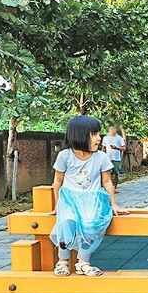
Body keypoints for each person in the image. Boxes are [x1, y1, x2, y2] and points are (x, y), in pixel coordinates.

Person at [51, 115, 128, 277]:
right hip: (70, 199)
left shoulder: (101, 157)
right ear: (79, 136)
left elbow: (107, 182)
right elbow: (57, 181)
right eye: (94, 134)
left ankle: (83, 262)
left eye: (99, 134)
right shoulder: (65, 156)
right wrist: (57, 204)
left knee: (91, 225)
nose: (99, 139)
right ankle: (62, 261)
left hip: (92, 200)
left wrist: (113, 204)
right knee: (66, 223)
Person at [101, 124, 126, 191]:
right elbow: (103, 148)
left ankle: (115, 188)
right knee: (107, 173)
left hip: (116, 159)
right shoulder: (105, 138)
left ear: (115, 129)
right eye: (110, 129)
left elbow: (124, 148)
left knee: (116, 174)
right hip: (108, 158)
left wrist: (116, 148)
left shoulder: (119, 138)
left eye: (113, 129)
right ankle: (108, 187)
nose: (112, 130)